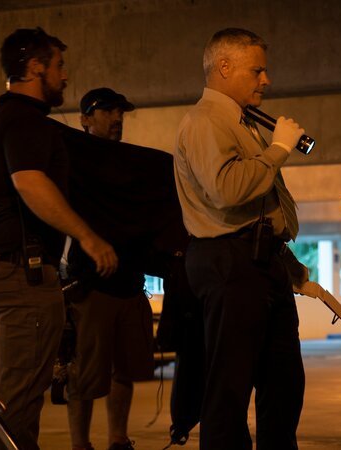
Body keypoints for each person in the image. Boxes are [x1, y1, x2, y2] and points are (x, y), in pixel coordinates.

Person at [173, 28, 310, 449]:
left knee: (283, 381)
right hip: (229, 262)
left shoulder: (242, 123)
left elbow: (258, 207)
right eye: (257, 70)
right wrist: (279, 150)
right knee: (229, 389)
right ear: (225, 67)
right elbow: (227, 190)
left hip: (259, 261)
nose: (265, 80)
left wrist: (286, 263)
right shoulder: (204, 121)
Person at [0, 27, 117, 450]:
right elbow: (30, 183)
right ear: (35, 68)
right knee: (19, 404)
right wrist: (89, 238)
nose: (64, 75)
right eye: (59, 66)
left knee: (8, 400)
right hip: (22, 277)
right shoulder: (26, 120)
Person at [64, 87, 152, 450]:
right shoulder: (70, 161)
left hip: (130, 283)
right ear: (85, 119)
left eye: (121, 112)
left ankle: (118, 438)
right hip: (90, 283)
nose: (116, 118)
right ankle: (80, 445)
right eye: (106, 111)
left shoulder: (131, 164)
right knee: (84, 374)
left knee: (124, 369)